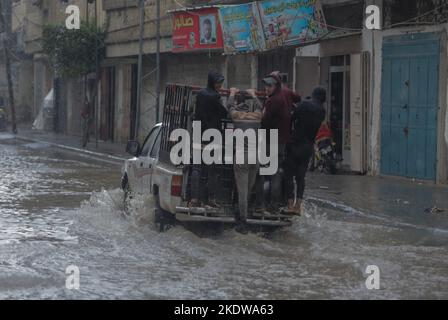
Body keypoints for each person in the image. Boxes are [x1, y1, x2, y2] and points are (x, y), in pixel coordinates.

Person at [258, 71, 301, 211]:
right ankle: (274, 203)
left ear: (276, 85)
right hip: (282, 139)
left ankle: (267, 203)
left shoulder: (272, 101)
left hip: (271, 139)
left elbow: (264, 121)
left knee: (268, 171)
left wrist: (262, 111)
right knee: (275, 170)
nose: (267, 88)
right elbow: (298, 97)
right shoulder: (286, 93)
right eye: (266, 86)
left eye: (270, 86)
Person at [284, 87, 327, 215]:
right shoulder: (322, 111)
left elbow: (291, 119)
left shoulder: (303, 105)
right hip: (308, 147)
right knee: (300, 177)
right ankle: (298, 206)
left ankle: (290, 205)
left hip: (295, 144)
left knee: (288, 175)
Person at [190, 70, 228, 208]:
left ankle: (194, 198)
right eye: (218, 83)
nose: (220, 85)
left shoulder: (200, 95)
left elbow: (196, 113)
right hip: (213, 137)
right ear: (212, 82)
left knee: (197, 168)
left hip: (199, 135)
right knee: (212, 169)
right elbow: (224, 113)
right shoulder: (215, 97)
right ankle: (211, 199)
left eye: (220, 83)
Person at [227, 88, 263, 223]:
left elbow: (229, 106)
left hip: (242, 157)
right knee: (248, 190)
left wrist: (231, 93)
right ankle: (243, 211)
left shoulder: (237, 116)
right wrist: (254, 94)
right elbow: (260, 107)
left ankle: (242, 221)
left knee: (242, 192)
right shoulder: (257, 117)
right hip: (255, 158)